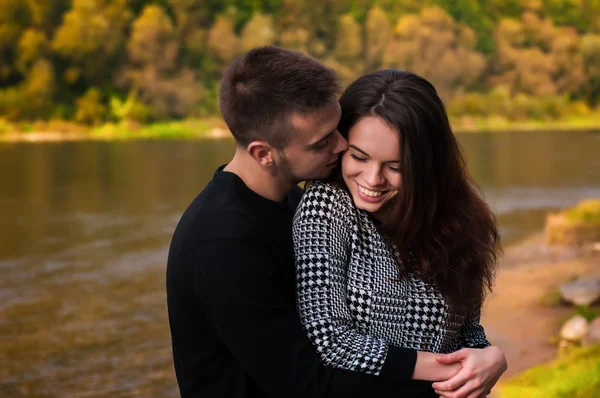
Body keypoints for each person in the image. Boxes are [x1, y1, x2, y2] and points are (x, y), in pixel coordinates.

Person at [166, 47, 467, 398]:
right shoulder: (220, 245)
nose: (342, 145)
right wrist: (446, 377)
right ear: (264, 154)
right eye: (323, 142)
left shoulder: (297, 202)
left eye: (337, 128)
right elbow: (306, 383)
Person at [293, 69, 508, 398]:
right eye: (359, 157)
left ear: (426, 165)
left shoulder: (461, 221)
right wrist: (445, 367)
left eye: (395, 167)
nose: (373, 179)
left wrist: (490, 355)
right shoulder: (326, 207)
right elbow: (329, 338)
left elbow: (464, 333)